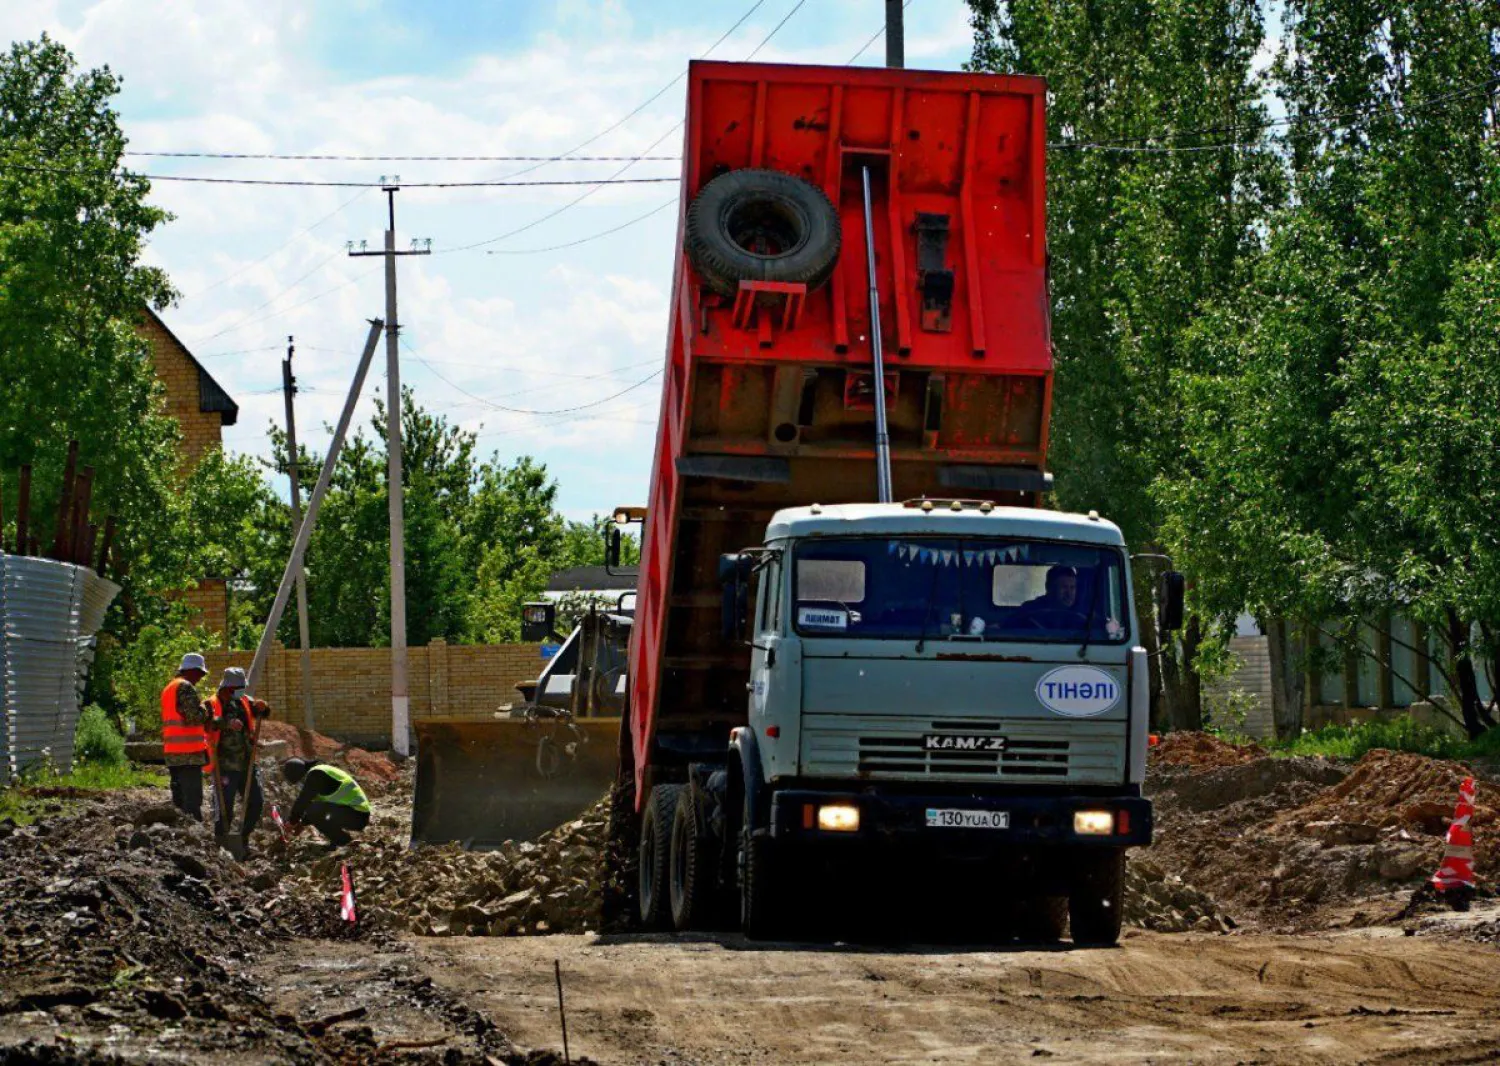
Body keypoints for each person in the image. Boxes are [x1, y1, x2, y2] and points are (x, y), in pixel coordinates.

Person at [204, 667, 270, 840]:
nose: (241, 691)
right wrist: (226, 723)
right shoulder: (212, 703)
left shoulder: (244, 701)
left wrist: (264, 707)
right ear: (227, 687)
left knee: (256, 802)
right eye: (237, 688)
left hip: (247, 763)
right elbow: (206, 723)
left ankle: (242, 838)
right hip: (224, 765)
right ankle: (222, 840)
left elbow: (262, 713)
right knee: (225, 807)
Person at [160, 653, 210, 818]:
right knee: (192, 801)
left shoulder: (169, 688)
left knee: (179, 799)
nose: (201, 678)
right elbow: (194, 717)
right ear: (191, 670)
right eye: (200, 673)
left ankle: (182, 837)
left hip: (173, 753)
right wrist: (205, 710)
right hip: (188, 753)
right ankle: (195, 835)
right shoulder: (185, 687)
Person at [282, 758, 371, 847]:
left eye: (299, 781)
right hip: (355, 814)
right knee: (314, 809)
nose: (301, 784)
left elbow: (303, 800)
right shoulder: (320, 774)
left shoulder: (316, 775)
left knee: (312, 809)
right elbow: (318, 807)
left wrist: (292, 821)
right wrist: (302, 824)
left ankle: (346, 843)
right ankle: (337, 842)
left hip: (358, 816)